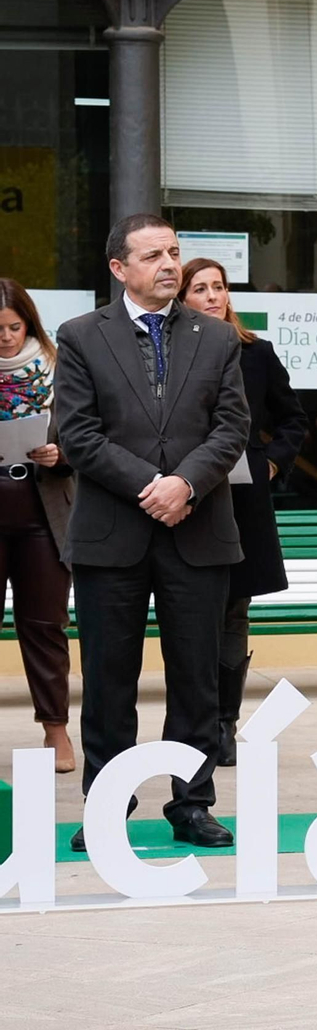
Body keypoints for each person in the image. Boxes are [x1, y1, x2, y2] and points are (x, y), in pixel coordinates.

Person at [54, 213, 251, 851]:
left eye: (174, 252)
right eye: (153, 256)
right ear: (119, 269)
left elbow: (231, 428)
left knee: (196, 675)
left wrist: (186, 484)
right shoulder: (81, 336)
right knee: (110, 678)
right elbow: (77, 434)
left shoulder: (216, 338)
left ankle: (192, 803)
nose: (170, 264)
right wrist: (151, 486)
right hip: (114, 533)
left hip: (198, 530)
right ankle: (107, 803)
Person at [180, 258, 309, 766]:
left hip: (244, 501)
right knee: (194, 611)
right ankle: (194, 716)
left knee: (234, 611)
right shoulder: (172, 352)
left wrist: (272, 465)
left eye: (219, 287)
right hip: (189, 498)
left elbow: (293, 419)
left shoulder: (256, 353)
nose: (213, 296)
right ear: (182, 298)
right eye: (201, 288)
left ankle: (223, 723)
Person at [0, 279, 76, 773]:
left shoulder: (56, 368)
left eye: (13, 326)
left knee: (45, 625)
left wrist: (59, 453)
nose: (5, 338)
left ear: (28, 322)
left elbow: (89, 433)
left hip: (42, 511)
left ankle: (55, 728)